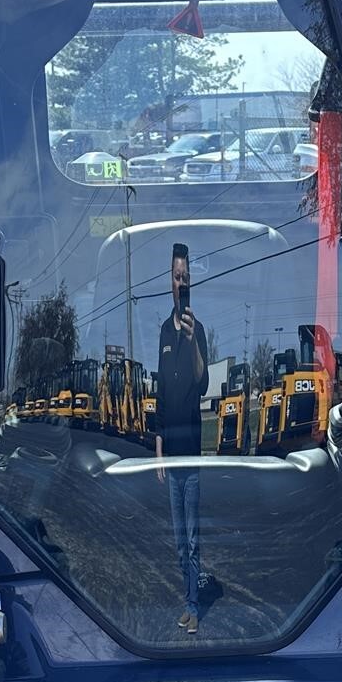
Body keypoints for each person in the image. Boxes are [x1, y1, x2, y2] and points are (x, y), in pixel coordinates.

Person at [155, 242, 209, 632]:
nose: (180, 283)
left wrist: (192, 344)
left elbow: (201, 382)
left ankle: (193, 604)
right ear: (169, 282)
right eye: (176, 277)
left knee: (192, 539)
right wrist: (157, 449)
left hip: (190, 455)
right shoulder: (161, 331)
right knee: (177, 543)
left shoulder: (197, 330)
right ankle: (188, 598)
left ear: (191, 283)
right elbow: (161, 393)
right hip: (169, 453)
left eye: (185, 278)